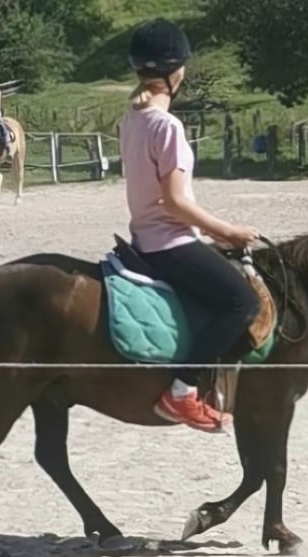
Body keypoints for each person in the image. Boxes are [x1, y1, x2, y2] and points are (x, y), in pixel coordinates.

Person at [119, 18, 261, 433]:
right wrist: (227, 231)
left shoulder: (132, 119)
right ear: (175, 72)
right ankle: (181, 391)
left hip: (142, 238)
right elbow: (176, 202)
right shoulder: (167, 126)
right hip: (170, 241)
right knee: (243, 302)